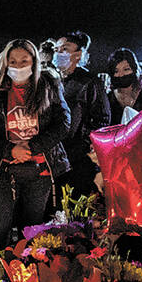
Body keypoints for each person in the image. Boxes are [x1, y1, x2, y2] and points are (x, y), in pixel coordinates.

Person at [0, 40, 72, 254]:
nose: (18, 66)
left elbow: (63, 122)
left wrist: (33, 146)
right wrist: (10, 150)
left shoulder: (48, 85)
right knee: (0, 225)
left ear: (34, 62)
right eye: (13, 61)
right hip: (5, 170)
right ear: (5, 63)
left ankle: (29, 278)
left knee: (32, 229)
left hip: (40, 168)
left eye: (24, 61)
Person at [51, 30, 111, 195]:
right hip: (55, 153)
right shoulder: (52, 80)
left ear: (77, 55)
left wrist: (85, 145)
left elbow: (102, 118)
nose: (59, 53)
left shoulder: (89, 81)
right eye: (56, 49)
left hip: (79, 155)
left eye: (65, 49)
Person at [105, 47, 142, 120]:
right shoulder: (107, 100)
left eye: (126, 69)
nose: (121, 74)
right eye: (116, 71)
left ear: (134, 69)